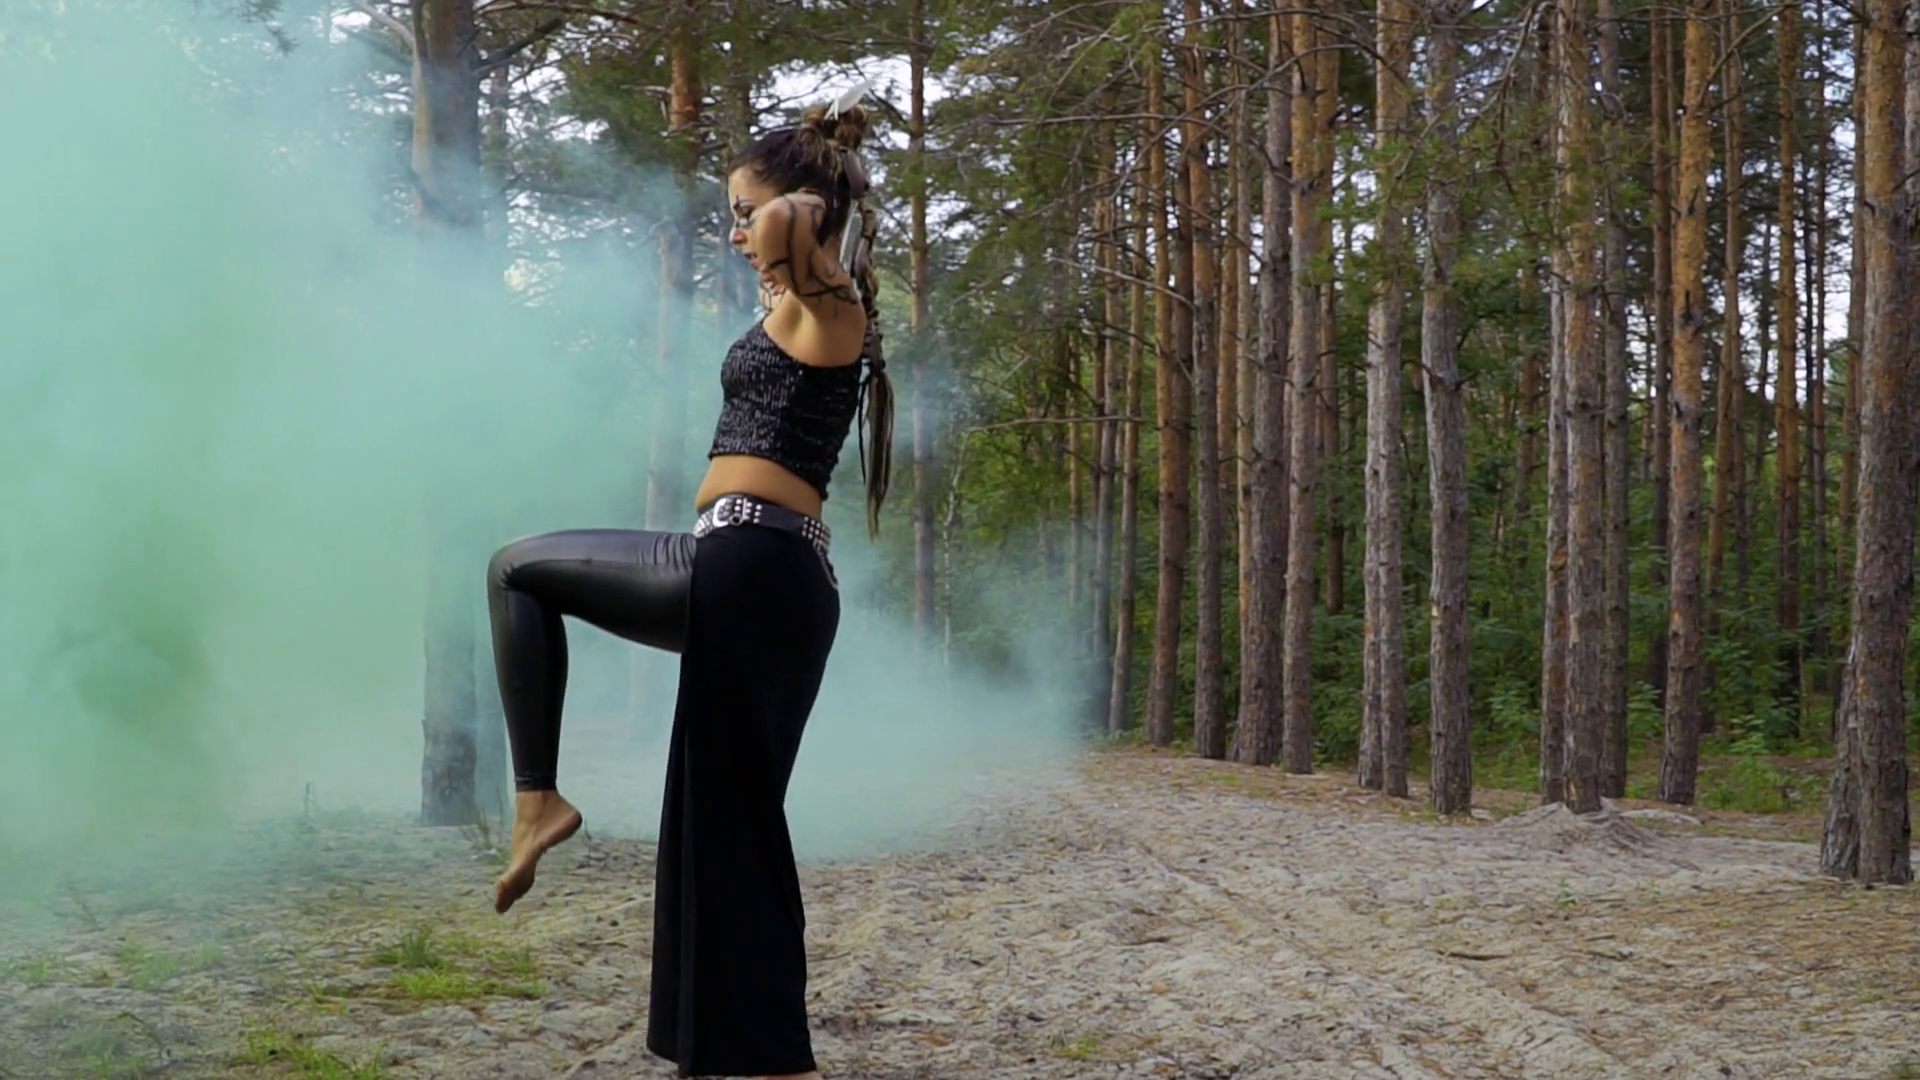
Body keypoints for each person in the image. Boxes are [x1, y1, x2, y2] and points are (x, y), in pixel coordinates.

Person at [481, 96, 891, 1080]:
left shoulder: (833, 305)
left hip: (754, 567)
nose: (740, 235)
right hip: (754, 571)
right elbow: (784, 226)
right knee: (731, 824)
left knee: (515, 569)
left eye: (743, 214)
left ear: (802, 210)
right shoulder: (806, 307)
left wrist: (799, 194)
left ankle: (538, 803)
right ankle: (762, 1058)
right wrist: (779, 202)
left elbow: (790, 222)